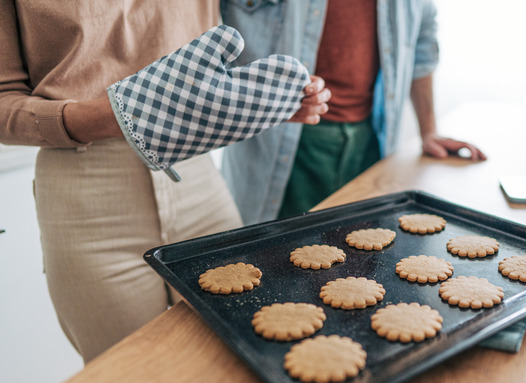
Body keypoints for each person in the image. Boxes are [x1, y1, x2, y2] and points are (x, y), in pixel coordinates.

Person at [0, 1, 329, 363]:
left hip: (199, 180)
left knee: (242, 364)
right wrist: (118, 114)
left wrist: (259, 98)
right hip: (88, 197)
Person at [221, 0, 487, 224]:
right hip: (281, 145)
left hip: (374, 142)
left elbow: (423, 39)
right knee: (279, 266)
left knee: (366, 264)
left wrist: (429, 131)